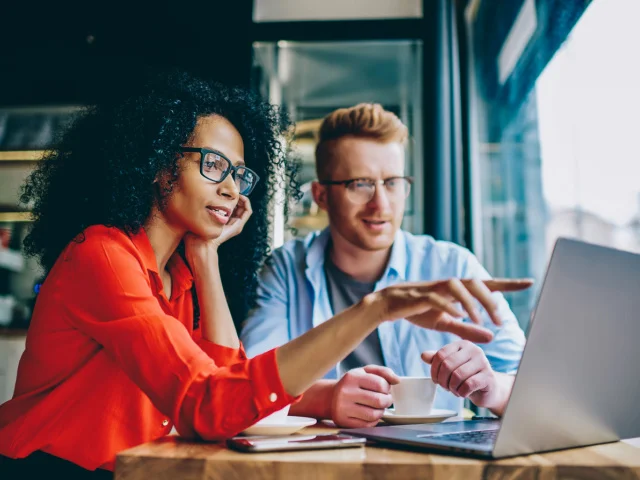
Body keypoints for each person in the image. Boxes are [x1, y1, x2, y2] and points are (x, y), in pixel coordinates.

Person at [0, 75, 530, 478]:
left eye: (239, 173)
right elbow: (212, 405)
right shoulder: (103, 256)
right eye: (213, 165)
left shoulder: (179, 277)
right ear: (159, 166)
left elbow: (227, 394)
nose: (232, 188)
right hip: (47, 468)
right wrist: (376, 308)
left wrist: (205, 258)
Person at [241, 103, 530, 428]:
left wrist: (490, 387)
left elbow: (532, 386)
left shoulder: (452, 265)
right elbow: (248, 385)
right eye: (360, 184)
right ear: (321, 196)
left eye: (392, 182)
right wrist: (327, 398)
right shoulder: (285, 269)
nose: (381, 203)